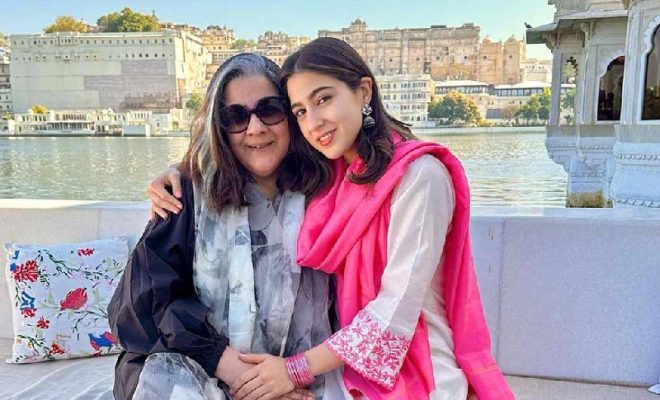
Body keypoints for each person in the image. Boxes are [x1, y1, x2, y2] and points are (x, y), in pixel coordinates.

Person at [149, 38, 514, 400]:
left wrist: (293, 370)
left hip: (419, 372)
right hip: (343, 372)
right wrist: (180, 172)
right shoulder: (334, 178)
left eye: (323, 99)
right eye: (299, 111)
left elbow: (393, 313)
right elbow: (240, 155)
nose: (313, 122)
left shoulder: (420, 177)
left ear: (363, 91)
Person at [108, 53, 342, 400]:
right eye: (236, 117)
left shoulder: (324, 191)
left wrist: (285, 375)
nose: (255, 128)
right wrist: (235, 370)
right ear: (220, 127)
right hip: (196, 366)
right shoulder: (187, 195)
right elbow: (144, 305)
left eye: (270, 110)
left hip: (296, 372)